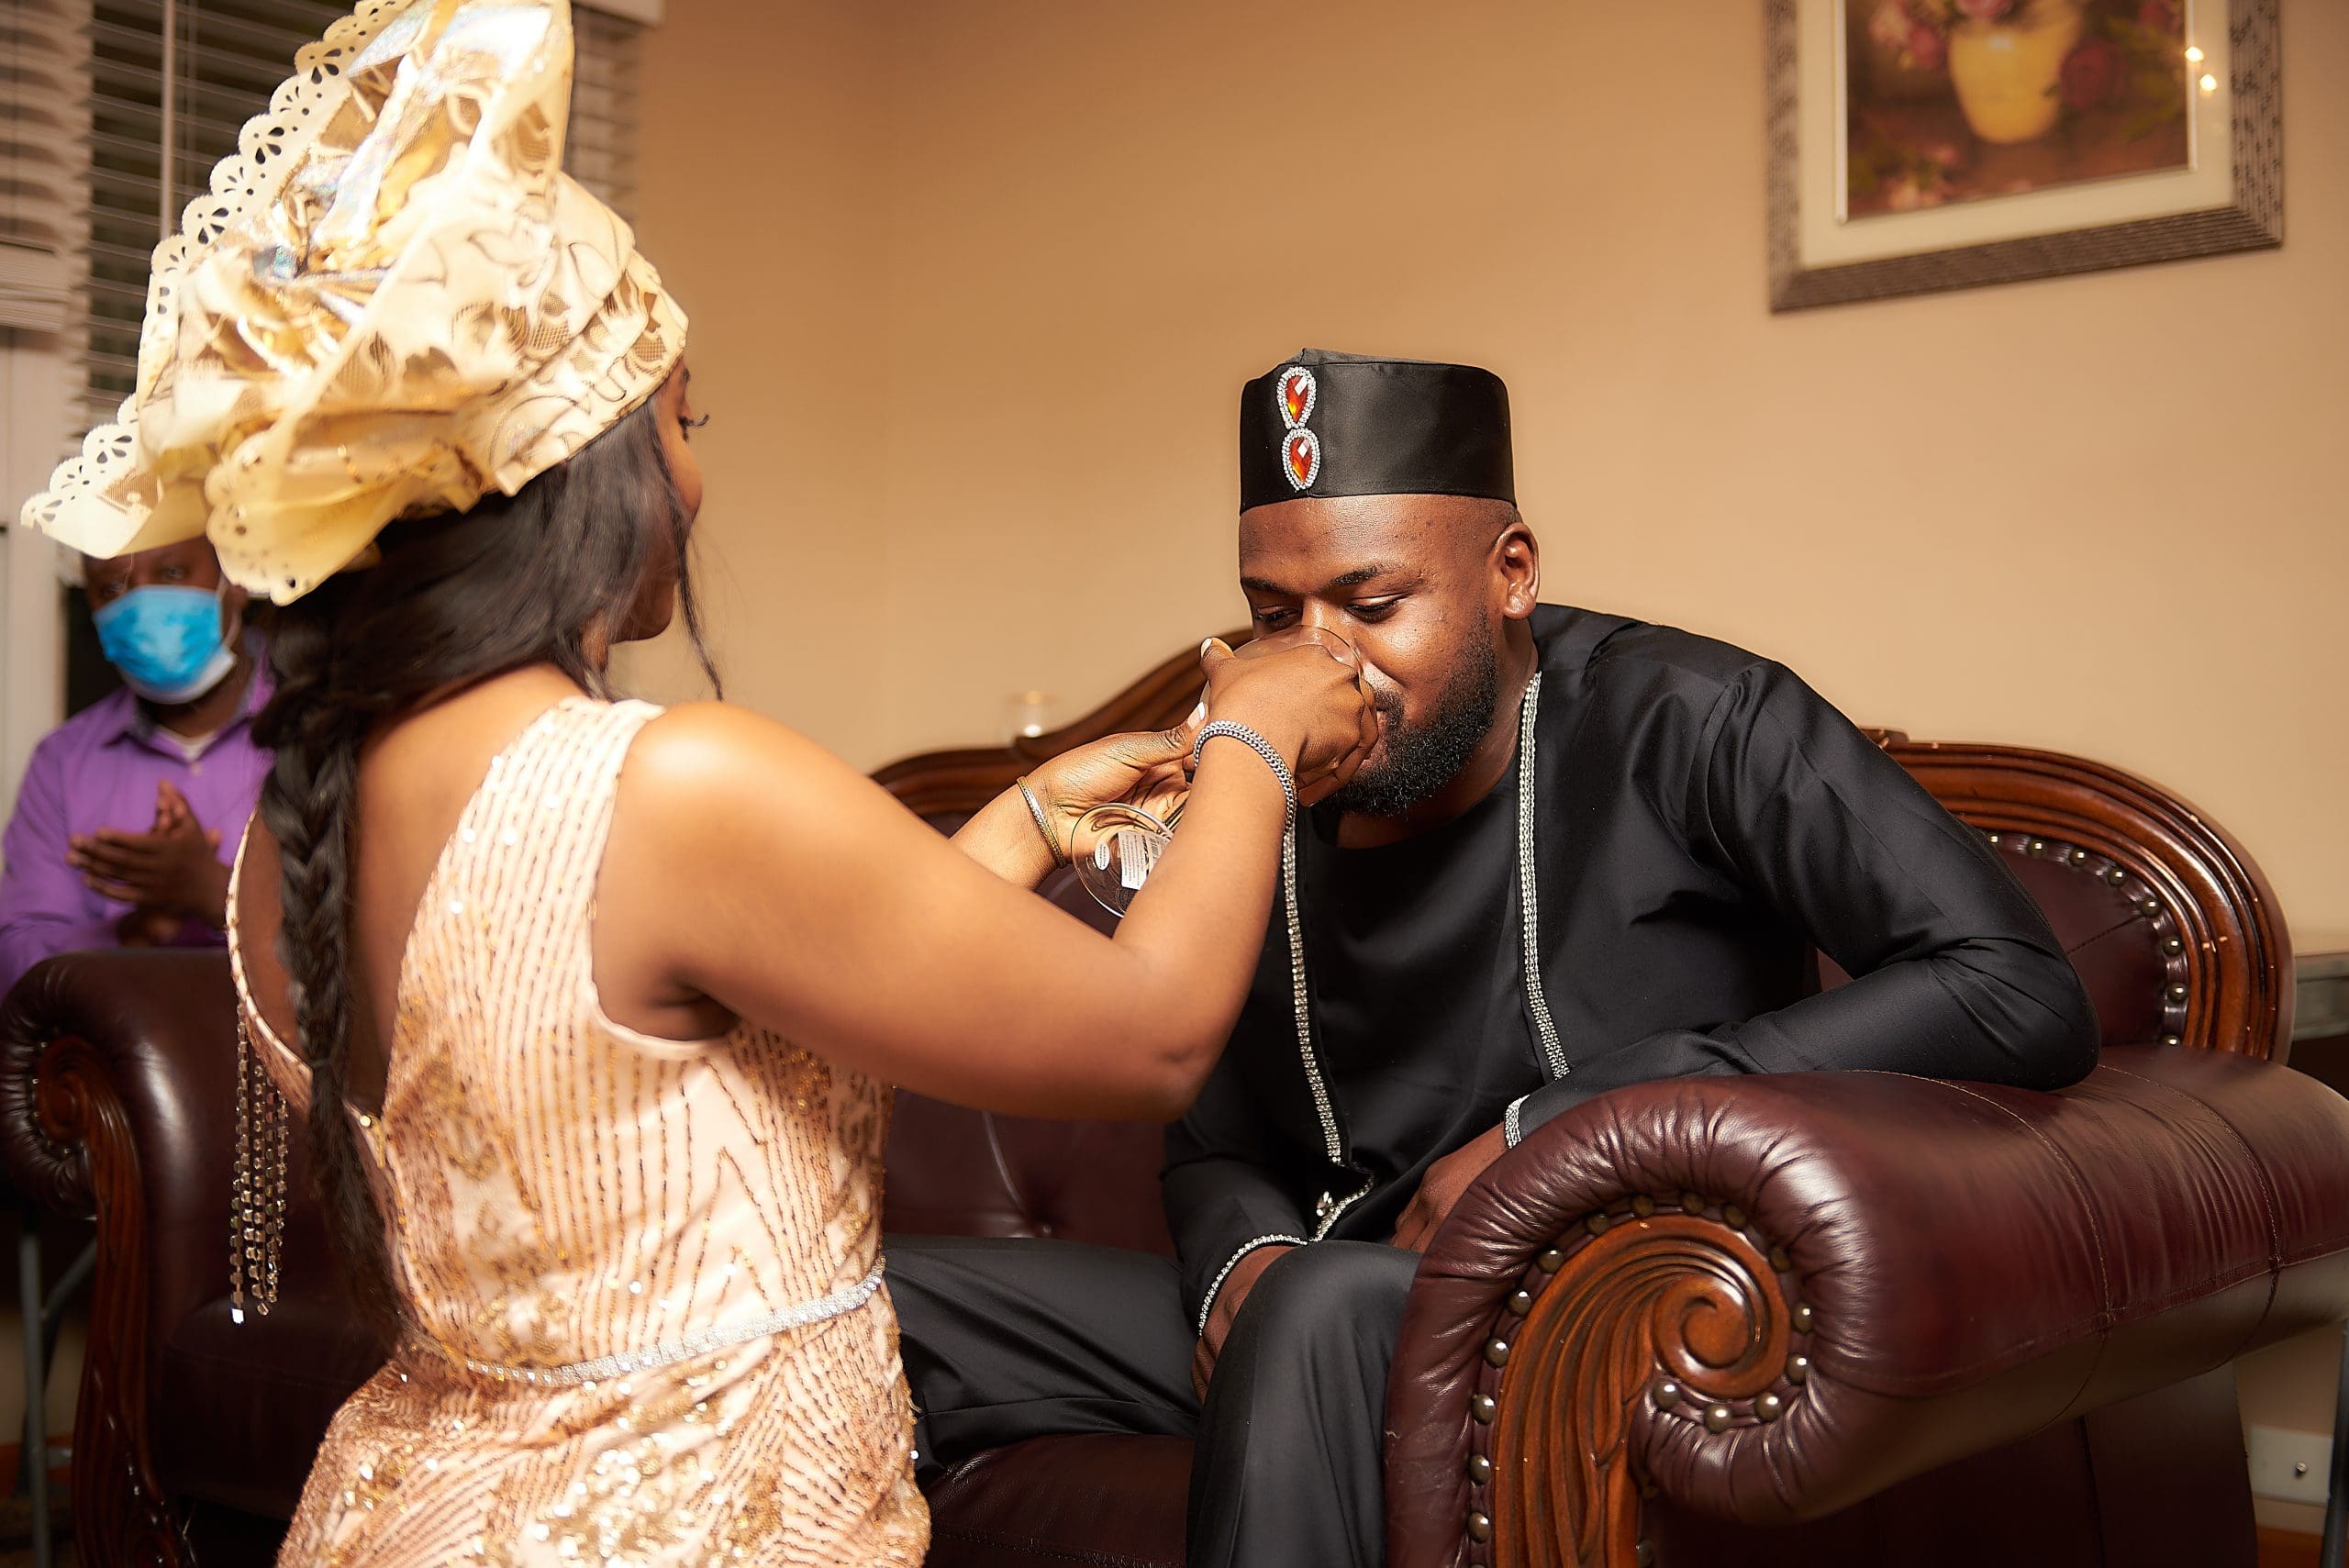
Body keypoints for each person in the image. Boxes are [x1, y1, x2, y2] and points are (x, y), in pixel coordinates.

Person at [18, 6, 1374, 1564]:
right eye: (686, 415)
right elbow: (1150, 1032)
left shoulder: (292, 825)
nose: (701, 472)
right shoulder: (661, 784)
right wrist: (1256, 737)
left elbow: (668, 1057)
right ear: (581, 455)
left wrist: (1030, 814)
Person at [886, 350, 2103, 1568]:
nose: (1316, 667)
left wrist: (1553, 1133)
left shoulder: (1692, 717)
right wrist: (1241, 1264)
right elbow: (1208, 1125)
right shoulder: (1249, 774)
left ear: (1509, 573)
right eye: (1271, 616)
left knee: (1316, 1307)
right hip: (1316, 1291)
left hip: (1595, 1304)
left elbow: (2010, 984)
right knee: (879, 1308)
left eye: (1371, 607)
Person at [0, 537, 268, 995]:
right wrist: (137, 931)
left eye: (171, 574)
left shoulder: (323, 730)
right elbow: (19, 967)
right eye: (111, 588)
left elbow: (375, 945)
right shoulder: (62, 763)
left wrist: (218, 895)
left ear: (236, 579)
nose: (140, 602)